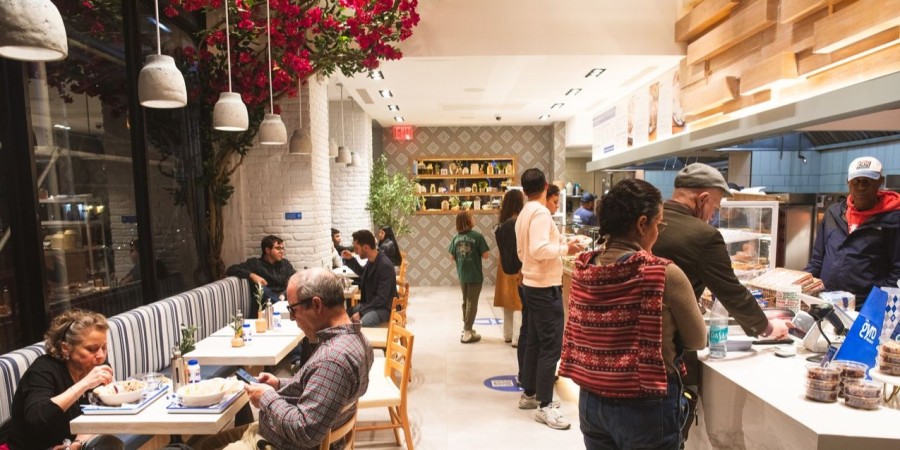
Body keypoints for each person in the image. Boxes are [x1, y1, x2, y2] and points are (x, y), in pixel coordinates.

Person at [561, 178, 706, 449]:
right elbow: (697, 339)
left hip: (592, 401)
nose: (658, 232)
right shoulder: (662, 273)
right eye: (658, 224)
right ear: (642, 224)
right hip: (645, 405)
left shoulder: (584, 268)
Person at [192, 269, 374, 450]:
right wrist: (279, 384)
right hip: (281, 434)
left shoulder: (332, 360)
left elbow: (305, 431)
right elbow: (322, 388)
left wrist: (266, 397)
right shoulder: (359, 341)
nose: (293, 318)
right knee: (208, 443)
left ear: (317, 305)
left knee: (206, 446)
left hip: (281, 443)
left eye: (293, 309)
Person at [652, 163, 789, 384]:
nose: (712, 216)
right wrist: (768, 328)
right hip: (670, 350)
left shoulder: (650, 223)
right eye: (714, 209)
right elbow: (731, 293)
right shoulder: (703, 235)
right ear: (702, 199)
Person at [515, 168, 582, 430]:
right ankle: (545, 405)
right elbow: (539, 249)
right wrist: (567, 248)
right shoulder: (541, 213)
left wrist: (562, 244)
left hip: (532, 284)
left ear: (524, 190)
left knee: (534, 341)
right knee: (551, 346)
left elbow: (527, 250)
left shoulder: (525, 211)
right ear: (545, 186)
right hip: (544, 286)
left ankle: (530, 393)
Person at [0, 310, 124, 450]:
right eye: (91, 349)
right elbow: (37, 417)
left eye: (104, 347)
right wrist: (84, 384)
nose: (101, 355)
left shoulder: (98, 367)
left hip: (70, 444)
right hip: (31, 446)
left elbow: (99, 414)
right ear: (66, 348)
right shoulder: (43, 371)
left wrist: (77, 444)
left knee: (111, 444)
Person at [805, 156, 900, 307]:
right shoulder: (833, 213)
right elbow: (817, 260)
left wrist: (875, 305)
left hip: (863, 307)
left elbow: (897, 272)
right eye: (856, 181)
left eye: (868, 181)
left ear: (880, 182)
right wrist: (799, 287)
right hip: (826, 300)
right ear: (848, 182)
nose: (861, 187)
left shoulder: (892, 220)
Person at [226, 235, 296, 316]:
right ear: (267, 250)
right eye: (278, 248)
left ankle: (281, 304)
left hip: (283, 298)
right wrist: (252, 275)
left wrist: (283, 294)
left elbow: (295, 278)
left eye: (282, 248)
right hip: (265, 304)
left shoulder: (284, 264)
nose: (282, 251)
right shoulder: (255, 263)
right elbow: (231, 269)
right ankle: (280, 305)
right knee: (261, 289)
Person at [449, 210, 490, 344]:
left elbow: (452, 257)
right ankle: (467, 332)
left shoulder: (456, 238)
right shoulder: (477, 236)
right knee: (472, 303)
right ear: (469, 221)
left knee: (465, 301)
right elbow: (486, 255)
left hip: (462, 275)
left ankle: (466, 327)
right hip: (475, 275)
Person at [342, 230, 397, 327]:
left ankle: (371, 337)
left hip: (386, 308)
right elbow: (363, 273)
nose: (355, 252)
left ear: (366, 247)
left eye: (356, 248)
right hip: (373, 304)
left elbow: (381, 298)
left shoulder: (385, 265)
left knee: (364, 322)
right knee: (345, 314)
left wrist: (361, 313)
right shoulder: (372, 260)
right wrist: (350, 260)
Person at [493, 189, 525, 347]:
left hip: (503, 264)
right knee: (518, 301)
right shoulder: (519, 222)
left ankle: (507, 334)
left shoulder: (502, 224)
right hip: (518, 265)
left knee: (507, 300)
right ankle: (517, 338)